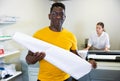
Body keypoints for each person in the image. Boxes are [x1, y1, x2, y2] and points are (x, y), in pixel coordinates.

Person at [26, 2, 96, 81]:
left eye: (61, 14)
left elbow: (76, 58)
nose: (58, 17)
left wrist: (87, 63)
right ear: (49, 16)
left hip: (66, 78)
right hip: (44, 79)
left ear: (64, 17)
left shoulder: (70, 36)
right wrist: (36, 58)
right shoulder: (38, 35)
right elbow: (28, 59)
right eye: (54, 14)